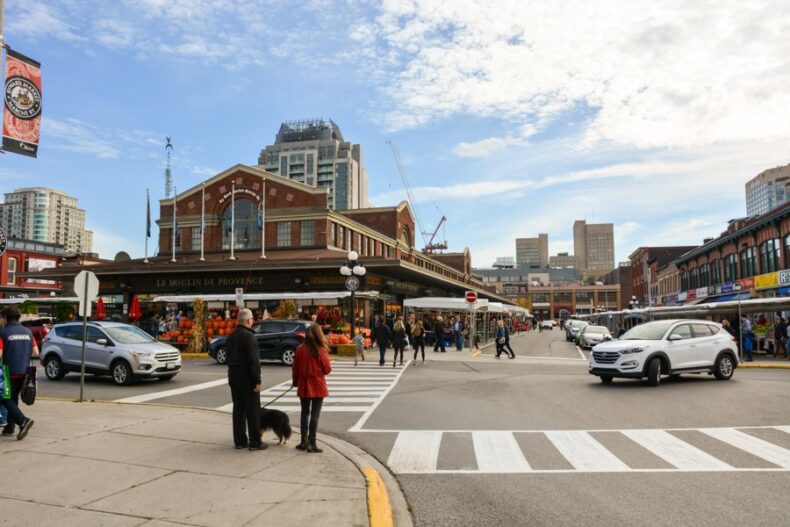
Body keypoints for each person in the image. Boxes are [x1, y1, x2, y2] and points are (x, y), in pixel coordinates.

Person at [226, 308, 264, 451]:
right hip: (247, 379)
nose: (253, 321)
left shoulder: (230, 336)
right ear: (249, 321)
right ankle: (255, 442)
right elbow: (254, 361)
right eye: (252, 319)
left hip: (234, 378)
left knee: (238, 410)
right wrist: (257, 380)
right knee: (253, 411)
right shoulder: (249, 337)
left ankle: (240, 441)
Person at [292, 323, 332, 453]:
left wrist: (295, 382)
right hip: (318, 385)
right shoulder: (321, 350)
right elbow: (327, 370)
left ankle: (303, 442)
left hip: (304, 384)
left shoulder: (299, 349)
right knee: (315, 414)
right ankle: (312, 443)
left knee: (304, 413)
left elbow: (295, 369)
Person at [0, 306, 38, 440]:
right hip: (24, 372)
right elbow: (36, 352)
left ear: (5, 317)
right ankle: (9, 428)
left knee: (3, 398)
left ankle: (23, 421)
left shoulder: (3, 332)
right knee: (13, 398)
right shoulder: (28, 332)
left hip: (7, 372)